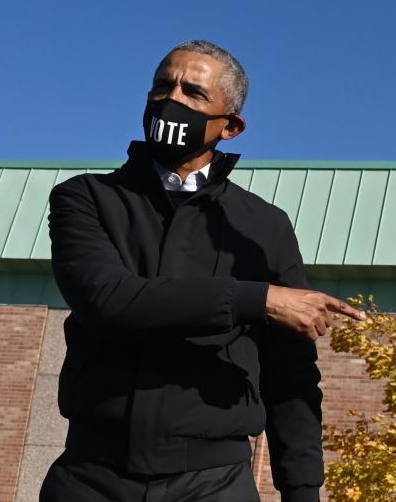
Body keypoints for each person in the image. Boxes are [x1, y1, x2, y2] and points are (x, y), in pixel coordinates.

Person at [40, 40, 366, 502]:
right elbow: (109, 300)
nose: (170, 100)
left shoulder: (264, 226)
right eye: (160, 86)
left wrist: (303, 489)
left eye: (193, 93)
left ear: (230, 126)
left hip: (214, 484)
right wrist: (261, 298)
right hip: (92, 478)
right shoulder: (85, 198)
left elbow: (289, 374)